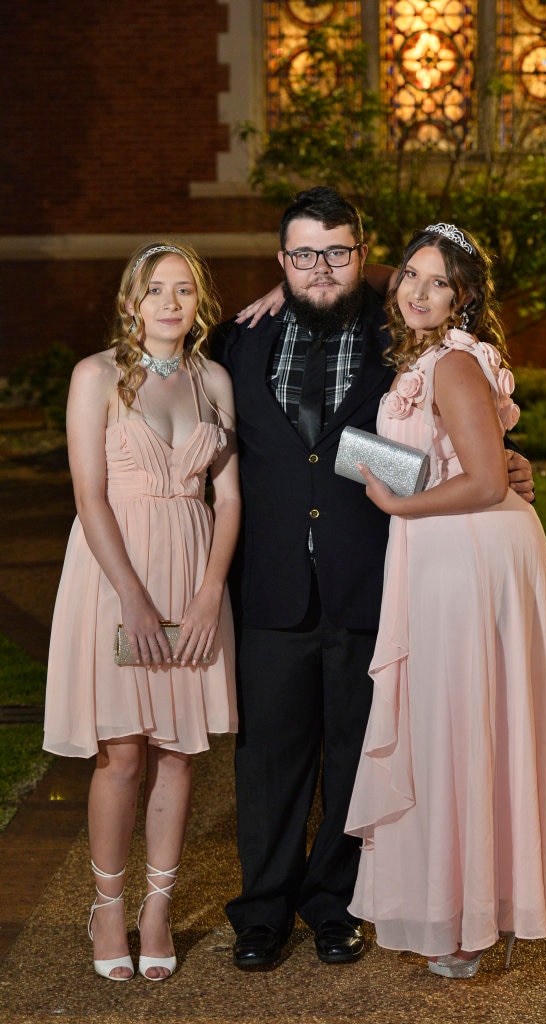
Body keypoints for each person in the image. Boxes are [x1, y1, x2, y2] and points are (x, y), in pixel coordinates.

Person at [211, 186, 536, 970]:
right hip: (273, 583)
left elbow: (440, 295)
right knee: (269, 760)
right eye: (301, 254)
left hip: (377, 577)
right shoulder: (235, 342)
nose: (321, 268)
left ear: (363, 256)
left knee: (361, 751)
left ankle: (335, 905)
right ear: (280, 260)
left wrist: (508, 464)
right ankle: (261, 913)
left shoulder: (399, 328)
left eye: (338, 252)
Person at [344, 223, 546, 979]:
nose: (415, 291)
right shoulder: (434, 356)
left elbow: (487, 482)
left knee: (459, 725)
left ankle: (468, 917)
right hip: (455, 545)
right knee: (458, 724)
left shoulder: (454, 362)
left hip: (464, 551)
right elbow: (461, 462)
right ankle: (471, 907)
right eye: (409, 275)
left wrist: (398, 508)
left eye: (437, 282)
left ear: (463, 298)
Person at [43, 241, 241, 982]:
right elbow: (89, 495)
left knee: (180, 750)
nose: (168, 302)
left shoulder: (213, 379)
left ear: (199, 304)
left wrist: (211, 589)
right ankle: (106, 907)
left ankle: (156, 910)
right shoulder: (94, 376)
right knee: (123, 750)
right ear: (131, 300)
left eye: (183, 290)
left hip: (192, 578)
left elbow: (231, 499)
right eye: (154, 289)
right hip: (117, 577)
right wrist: (130, 593)